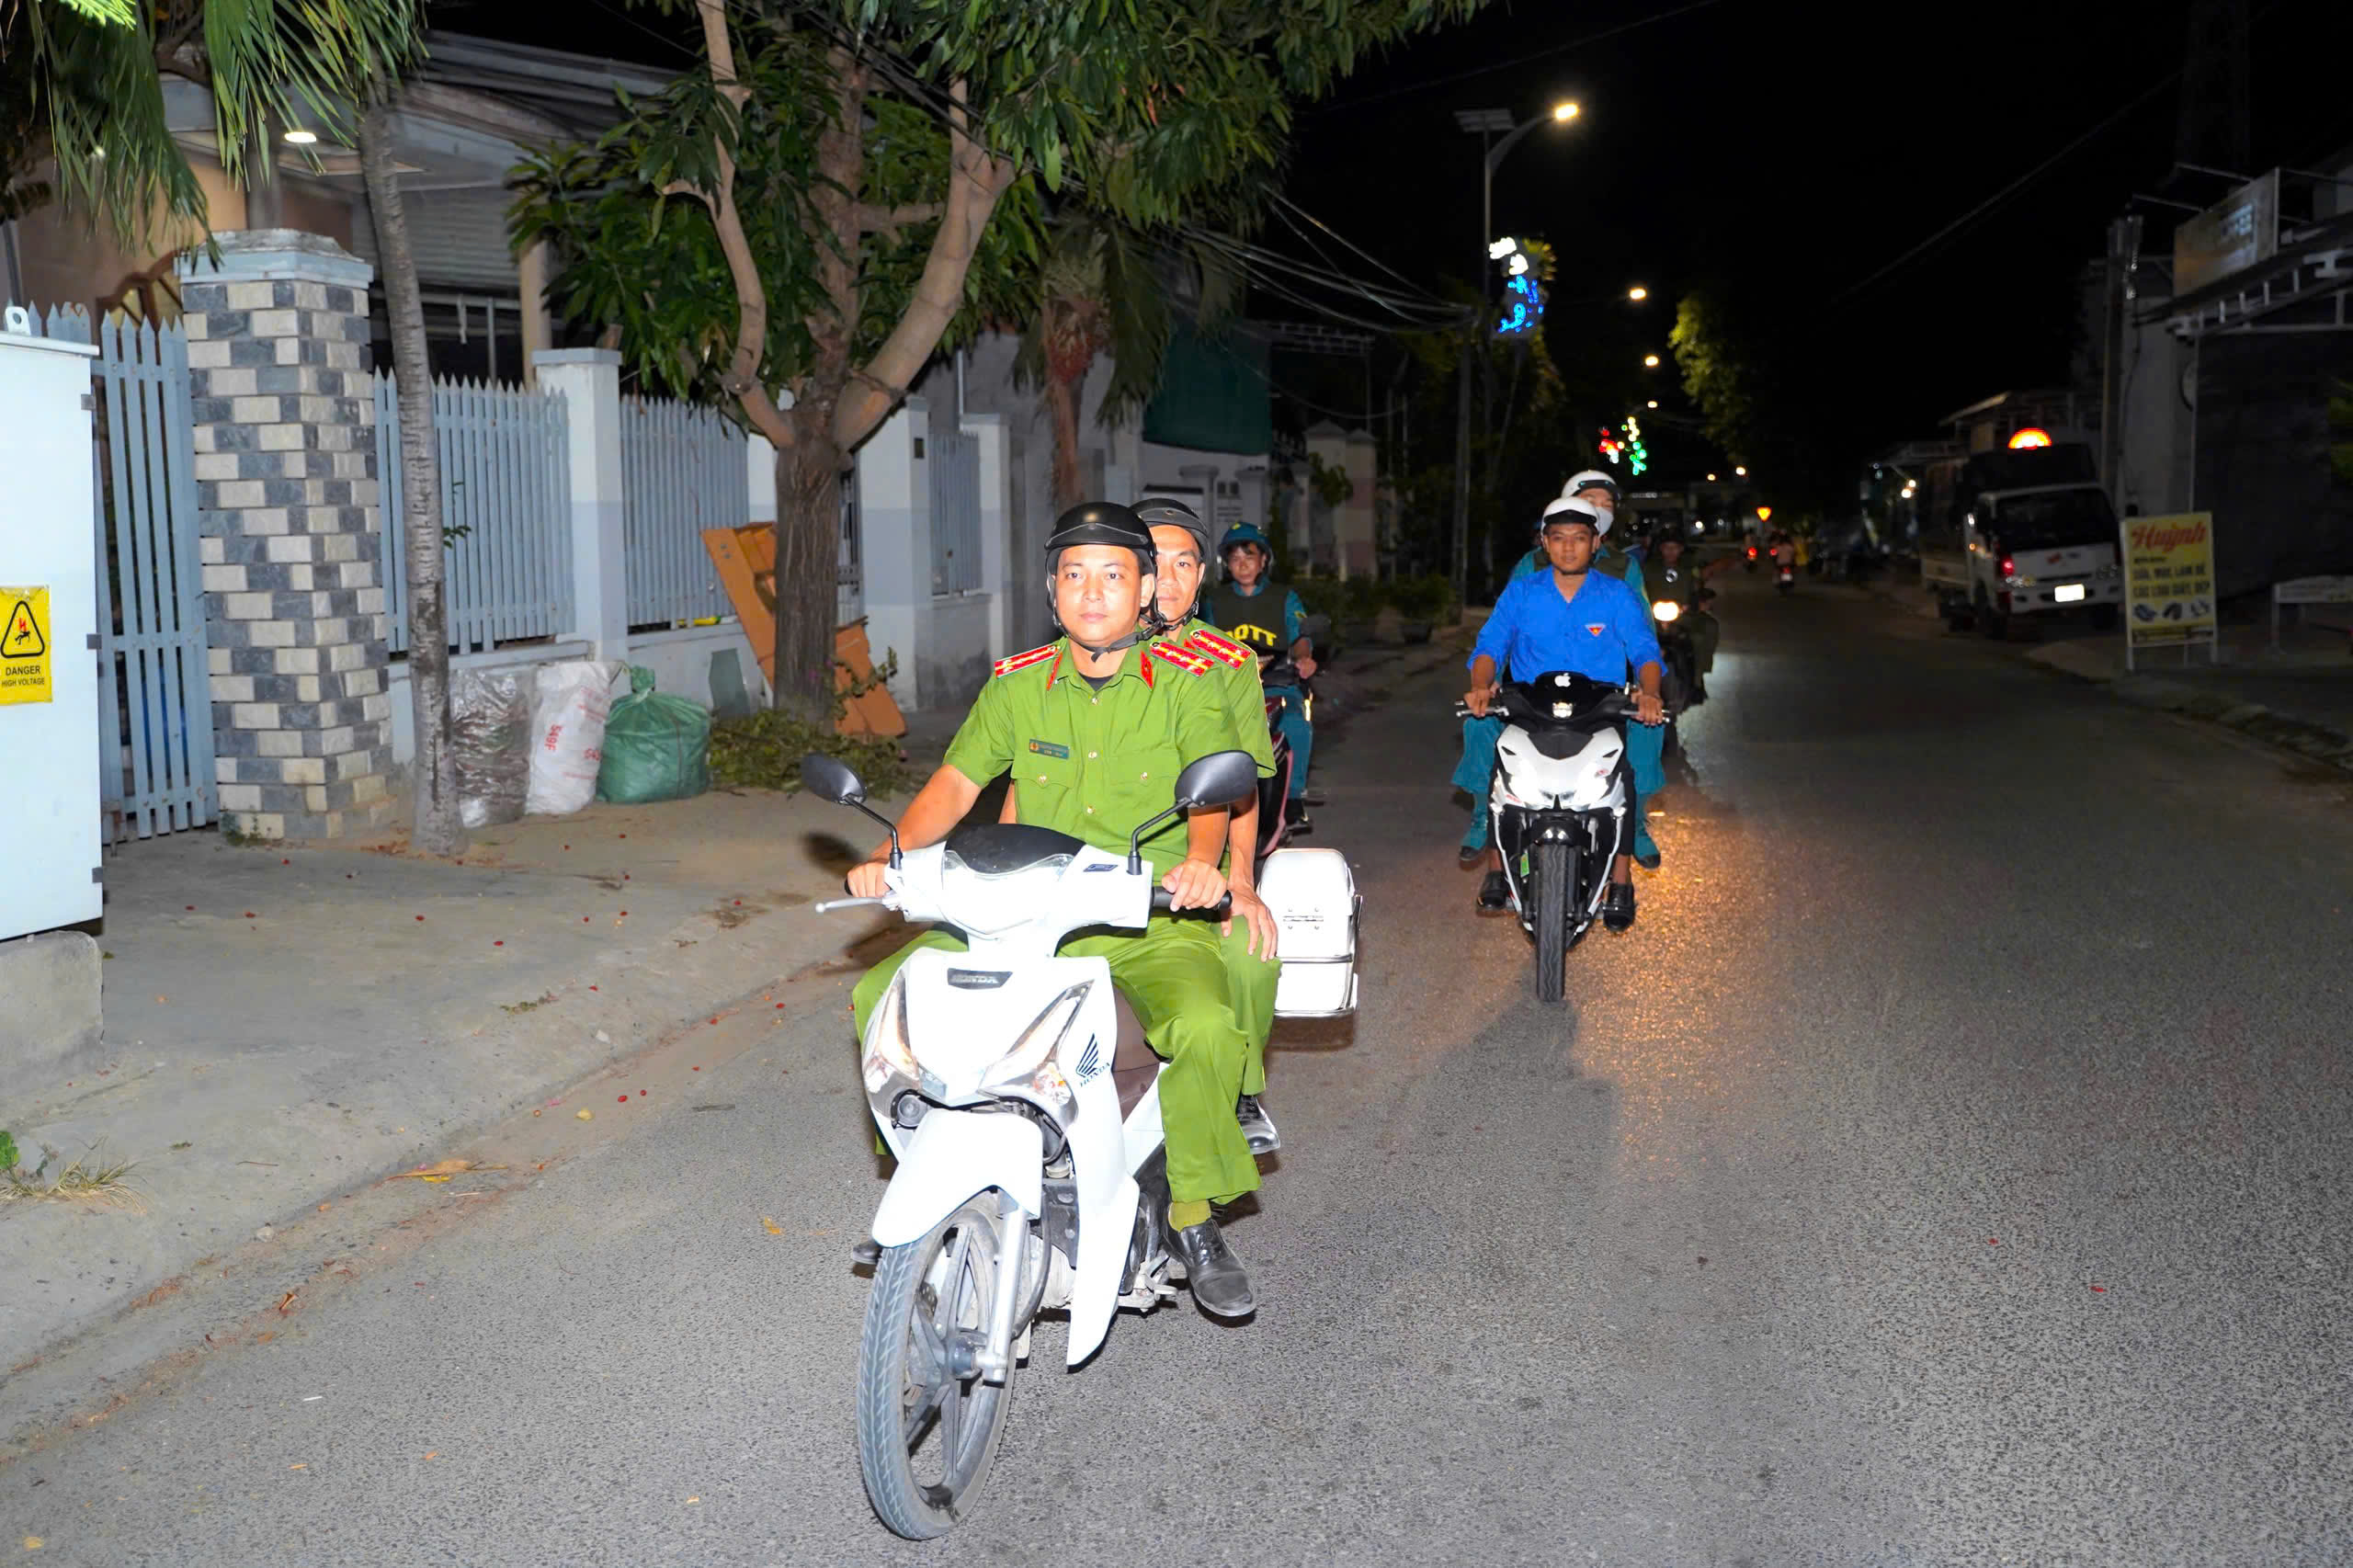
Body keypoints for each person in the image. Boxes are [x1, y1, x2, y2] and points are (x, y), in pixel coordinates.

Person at [846, 501, 1263, 1318]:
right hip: (1023, 913)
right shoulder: (1019, 684)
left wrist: (1206, 870)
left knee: (1208, 1029)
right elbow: (956, 786)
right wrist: (886, 858)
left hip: (1148, 922)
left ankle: (1193, 1214)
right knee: (878, 997)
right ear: (1053, 592)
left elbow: (1215, 796)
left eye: (1113, 575)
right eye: (1074, 576)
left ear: (1146, 591)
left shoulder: (1191, 683)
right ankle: (930, 1178)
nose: (1093, 592)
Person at [1000, 497, 1287, 1157]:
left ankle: (1233, 1093)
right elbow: (1027, 779)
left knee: (1248, 949)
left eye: (1187, 563)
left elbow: (1239, 791)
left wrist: (1236, 881)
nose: (1174, 578)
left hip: (1184, 865)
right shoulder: (1076, 655)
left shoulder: (1222, 663)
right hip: (1080, 869)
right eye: (1159, 560)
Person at [1461, 496, 1665, 929]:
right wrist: (1481, 686)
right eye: (1559, 539)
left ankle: (1621, 884)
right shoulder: (1521, 592)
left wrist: (1649, 693)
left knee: (1621, 784)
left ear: (1596, 544)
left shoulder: (1616, 594)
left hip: (1600, 711)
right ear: (1544, 544)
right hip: (1530, 707)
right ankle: (1496, 869)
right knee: (1501, 774)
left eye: (1579, 539)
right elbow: (1489, 647)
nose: (1568, 548)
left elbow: (1646, 651)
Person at [1209, 522, 1317, 834]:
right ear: (1227, 564)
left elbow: (1299, 637)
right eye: (1235, 558)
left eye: (1250, 556)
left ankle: (1294, 800)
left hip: (1277, 682)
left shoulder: (1284, 597)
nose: (1242, 564)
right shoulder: (1213, 601)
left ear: (1264, 560)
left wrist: (1304, 657)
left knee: (1296, 722)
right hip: (1228, 687)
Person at [1640, 534, 1728, 696]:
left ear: (1681, 549)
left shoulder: (1689, 568)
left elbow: (1698, 588)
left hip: (1683, 616)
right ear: (1661, 549)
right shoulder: (1649, 568)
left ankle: (1698, 676)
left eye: (1675, 548)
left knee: (1708, 628)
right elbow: (1638, 590)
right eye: (1667, 547)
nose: (1671, 552)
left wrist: (1697, 602)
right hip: (1652, 617)